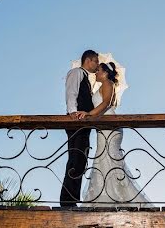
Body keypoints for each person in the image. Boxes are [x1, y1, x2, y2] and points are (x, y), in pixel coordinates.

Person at [81, 62, 151, 207]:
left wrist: (89, 114)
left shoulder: (108, 83)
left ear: (106, 73)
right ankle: (104, 196)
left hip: (109, 126)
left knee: (109, 159)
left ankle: (115, 197)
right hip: (103, 126)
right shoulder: (102, 85)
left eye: (98, 70)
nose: (96, 73)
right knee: (103, 159)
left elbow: (106, 103)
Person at [60, 49, 99, 207]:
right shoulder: (77, 72)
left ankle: (72, 199)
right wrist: (73, 114)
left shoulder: (87, 79)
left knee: (81, 160)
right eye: (96, 61)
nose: (97, 65)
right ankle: (67, 201)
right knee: (75, 160)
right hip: (77, 123)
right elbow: (71, 92)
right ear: (88, 60)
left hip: (84, 125)